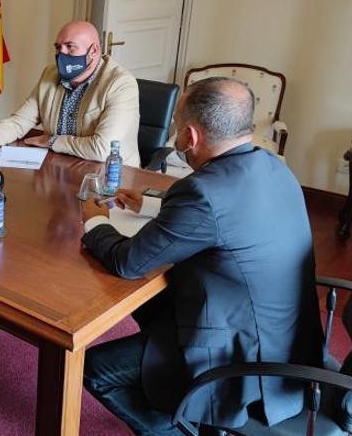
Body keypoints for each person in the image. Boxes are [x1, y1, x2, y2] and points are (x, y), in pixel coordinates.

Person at [78, 77, 323, 434]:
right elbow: (231, 214)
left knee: (96, 369)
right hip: (290, 340)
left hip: (244, 364)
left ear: (190, 137)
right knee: (148, 303)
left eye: (177, 128)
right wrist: (148, 203)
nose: (175, 137)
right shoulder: (274, 167)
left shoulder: (203, 193)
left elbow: (128, 262)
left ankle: (170, 425)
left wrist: (93, 221)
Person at [0, 20, 140, 165]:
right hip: (62, 168)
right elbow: (19, 122)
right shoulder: (50, 74)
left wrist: (52, 141)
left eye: (70, 47)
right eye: (58, 47)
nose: (62, 54)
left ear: (94, 51)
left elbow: (103, 149)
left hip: (111, 179)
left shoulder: (120, 84)